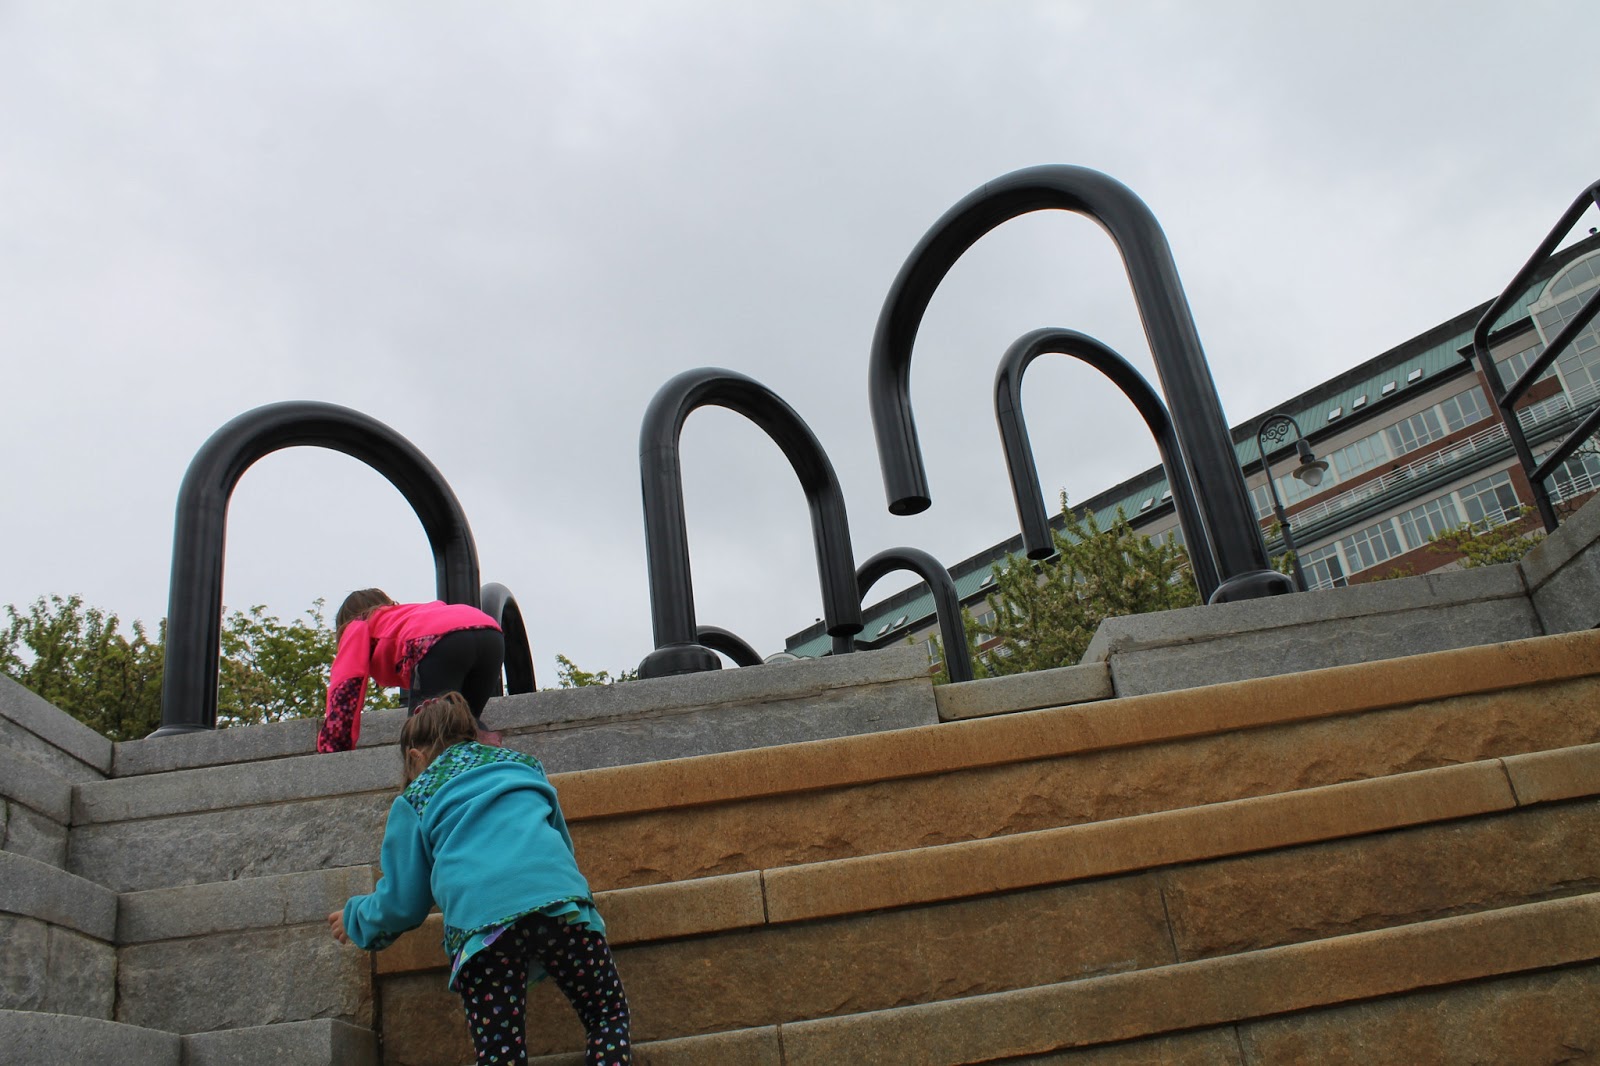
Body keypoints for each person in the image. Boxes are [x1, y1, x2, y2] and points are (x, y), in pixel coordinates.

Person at [328, 693, 631, 1066]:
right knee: (607, 1015)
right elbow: (561, 845)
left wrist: (356, 918)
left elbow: (403, 902)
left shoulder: (416, 797)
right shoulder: (523, 766)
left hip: (482, 928)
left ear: (415, 757)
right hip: (560, 906)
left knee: (499, 1052)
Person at [317, 588, 505, 753]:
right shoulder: (406, 614)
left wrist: (335, 744)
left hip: (439, 641)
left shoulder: (358, 624)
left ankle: (428, 788)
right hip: (490, 634)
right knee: (466, 722)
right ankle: (493, 762)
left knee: (423, 732)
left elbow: (347, 683)